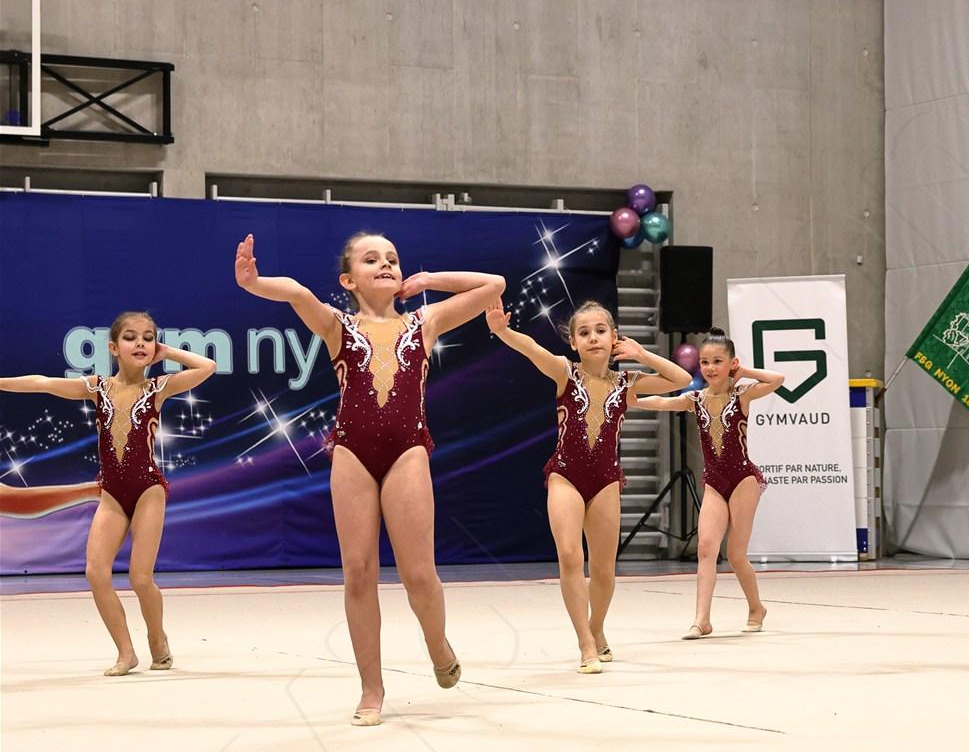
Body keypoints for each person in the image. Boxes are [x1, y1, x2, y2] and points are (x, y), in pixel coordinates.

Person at [235, 231, 504, 724]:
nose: (385, 264)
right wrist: (254, 283)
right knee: (358, 573)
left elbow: (494, 285)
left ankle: (437, 644)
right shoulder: (337, 325)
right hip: (352, 454)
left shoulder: (425, 322)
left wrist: (429, 279)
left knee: (418, 574)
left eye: (392, 259)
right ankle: (371, 688)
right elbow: (296, 292)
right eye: (371, 259)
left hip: (408, 452)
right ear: (348, 280)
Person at [0, 312, 217, 674]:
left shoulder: (158, 388)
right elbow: (43, 383)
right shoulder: (97, 388)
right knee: (96, 573)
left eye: (148, 337)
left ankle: (157, 639)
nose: (141, 343)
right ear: (114, 348)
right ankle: (126, 652)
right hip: (113, 493)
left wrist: (168, 352)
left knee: (140, 578)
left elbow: (207, 366)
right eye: (131, 337)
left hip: (148, 489)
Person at [486, 299, 691, 672]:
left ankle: (596, 627)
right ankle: (585, 643)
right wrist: (502, 330)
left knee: (604, 570)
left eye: (600, 331)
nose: (593, 338)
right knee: (569, 556)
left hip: (605, 481)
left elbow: (681, 380)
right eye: (584, 333)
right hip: (565, 475)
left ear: (614, 337)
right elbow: (531, 348)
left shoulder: (628, 383)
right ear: (573, 342)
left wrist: (642, 353)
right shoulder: (565, 372)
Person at [633, 328, 783, 638]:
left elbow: (777, 379)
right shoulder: (696, 399)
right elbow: (662, 402)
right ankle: (702, 619)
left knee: (736, 555)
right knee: (705, 548)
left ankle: (756, 607)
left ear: (732, 364)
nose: (710, 368)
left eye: (717, 361)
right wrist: (632, 400)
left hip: (743, 480)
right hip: (714, 482)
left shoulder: (742, 394)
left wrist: (744, 372)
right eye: (704, 362)